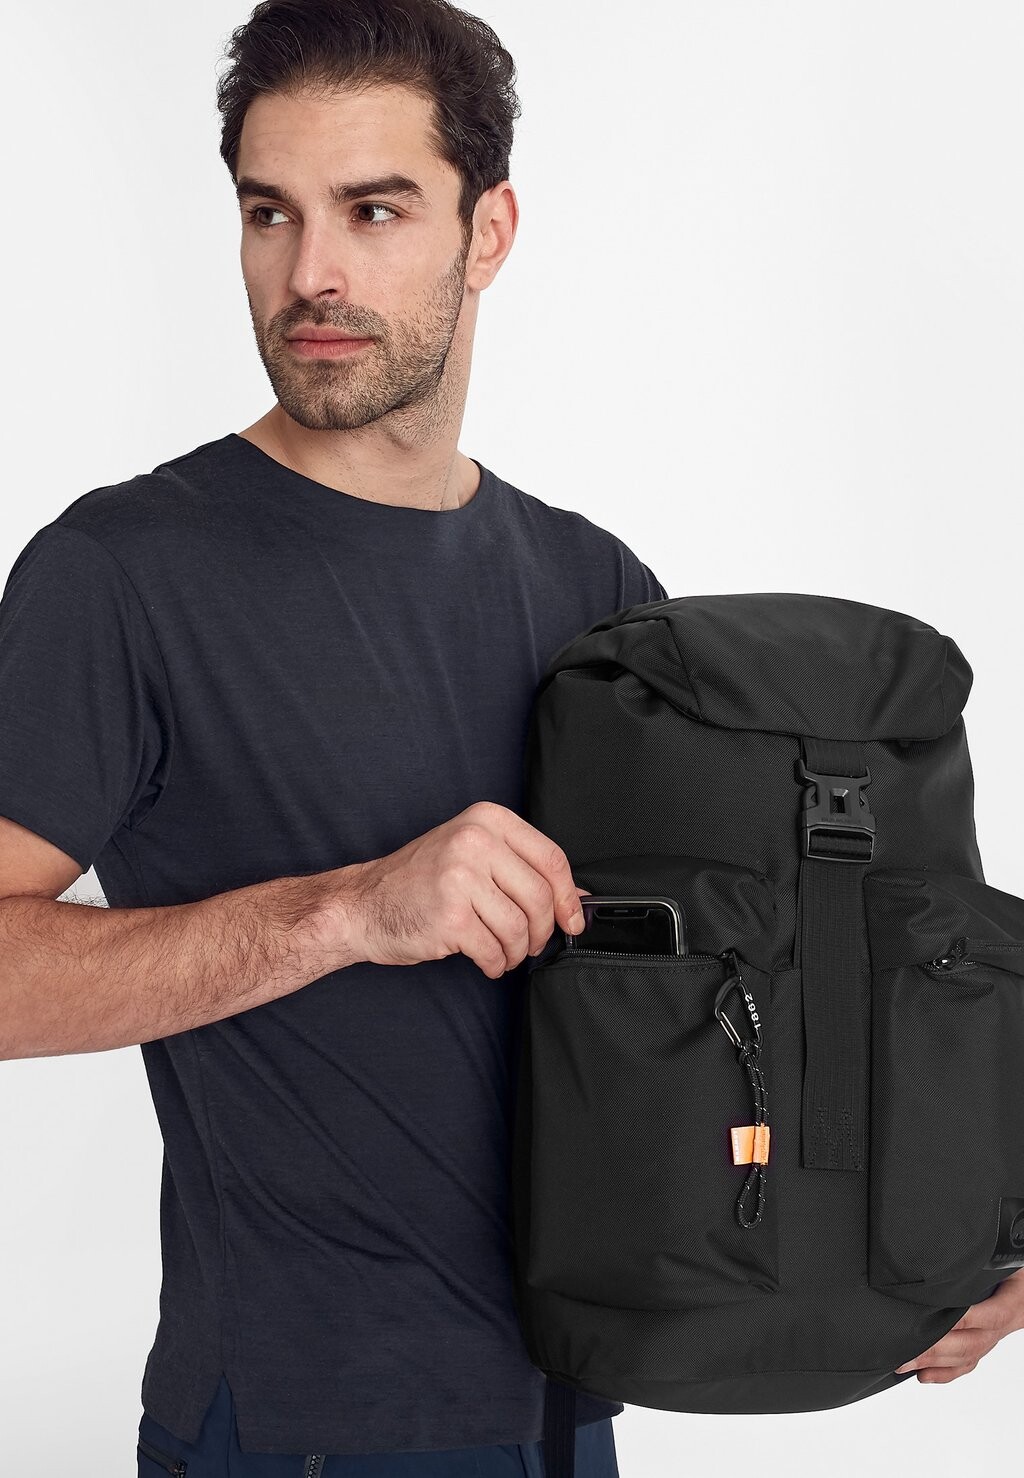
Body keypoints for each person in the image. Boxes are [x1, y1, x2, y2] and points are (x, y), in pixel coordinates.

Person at [0, 2, 667, 1472]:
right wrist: (351, 910)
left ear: (488, 232)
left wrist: (937, 1239)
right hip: (293, 1430)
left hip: (567, 1413)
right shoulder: (122, 573)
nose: (310, 272)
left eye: (374, 210)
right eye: (270, 212)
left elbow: (720, 985)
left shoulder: (597, 588)